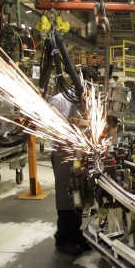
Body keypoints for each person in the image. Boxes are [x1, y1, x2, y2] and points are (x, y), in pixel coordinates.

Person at [49, 93, 90, 256]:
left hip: (79, 153)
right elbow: (50, 125)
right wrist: (72, 124)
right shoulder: (59, 100)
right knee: (66, 196)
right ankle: (63, 239)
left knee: (78, 195)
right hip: (62, 153)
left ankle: (75, 234)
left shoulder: (84, 102)